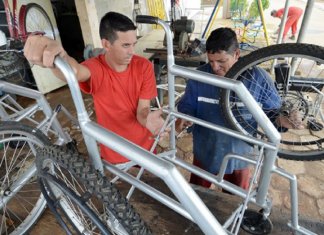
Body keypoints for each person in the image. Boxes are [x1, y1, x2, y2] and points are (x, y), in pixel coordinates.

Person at [24, 12, 167, 164]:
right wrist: (59, 57)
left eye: (134, 44)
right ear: (106, 44)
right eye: (126, 45)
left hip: (146, 148)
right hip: (116, 155)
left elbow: (142, 110)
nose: (132, 51)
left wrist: (147, 120)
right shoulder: (95, 68)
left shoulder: (143, 66)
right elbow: (74, 72)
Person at [176, 27, 301, 190]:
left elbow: (273, 113)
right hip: (206, 150)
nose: (215, 67)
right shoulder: (199, 77)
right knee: (198, 194)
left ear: (236, 54)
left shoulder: (259, 78)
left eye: (221, 62)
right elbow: (187, 105)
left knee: (235, 200)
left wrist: (282, 120)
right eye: (211, 61)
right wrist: (184, 117)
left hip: (240, 156)